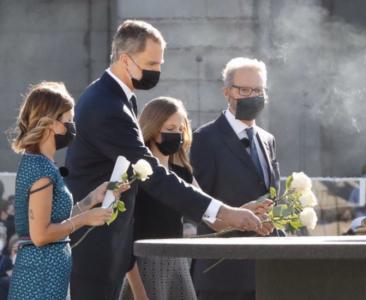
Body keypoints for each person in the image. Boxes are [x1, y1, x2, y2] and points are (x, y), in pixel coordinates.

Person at [64, 20, 263, 299]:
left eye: (160, 63)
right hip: (95, 245)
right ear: (125, 60)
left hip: (108, 244)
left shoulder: (117, 97)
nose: (158, 71)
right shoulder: (107, 106)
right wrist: (225, 212)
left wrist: (229, 214)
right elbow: (153, 175)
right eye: (152, 63)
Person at [6, 82, 121, 299]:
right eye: (68, 120)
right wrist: (85, 218)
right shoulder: (41, 168)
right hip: (39, 280)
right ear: (50, 124)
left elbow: (54, 220)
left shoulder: (42, 164)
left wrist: (90, 200)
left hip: (46, 277)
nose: (72, 126)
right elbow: (40, 235)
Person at [190, 57, 280, 300]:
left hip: (264, 271)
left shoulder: (267, 139)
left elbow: (273, 194)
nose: (253, 95)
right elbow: (196, 204)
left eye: (259, 90)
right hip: (222, 272)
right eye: (245, 89)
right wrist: (235, 216)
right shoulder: (205, 139)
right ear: (227, 92)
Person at [119, 97, 199, 300]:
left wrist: (247, 211)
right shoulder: (133, 173)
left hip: (177, 263)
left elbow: (210, 210)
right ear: (153, 129)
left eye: (181, 129)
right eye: (171, 128)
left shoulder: (183, 172)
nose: (178, 135)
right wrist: (138, 291)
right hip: (142, 265)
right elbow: (124, 236)